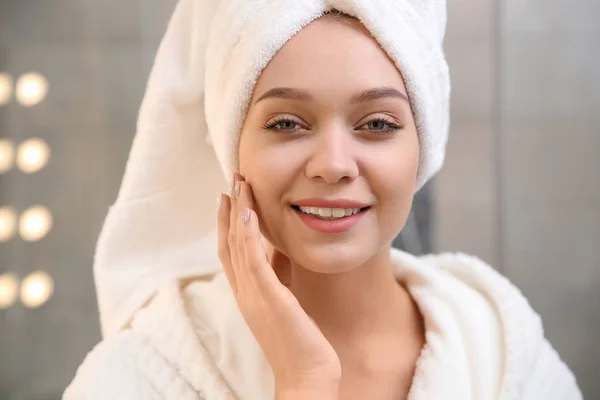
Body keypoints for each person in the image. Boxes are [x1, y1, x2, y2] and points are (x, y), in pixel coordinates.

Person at [64, 1, 582, 399]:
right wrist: (303, 381)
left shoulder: (498, 347)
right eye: (286, 123)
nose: (333, 164)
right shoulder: (137, 376)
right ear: (231, 151)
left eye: (378, 124)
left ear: (423, 144)